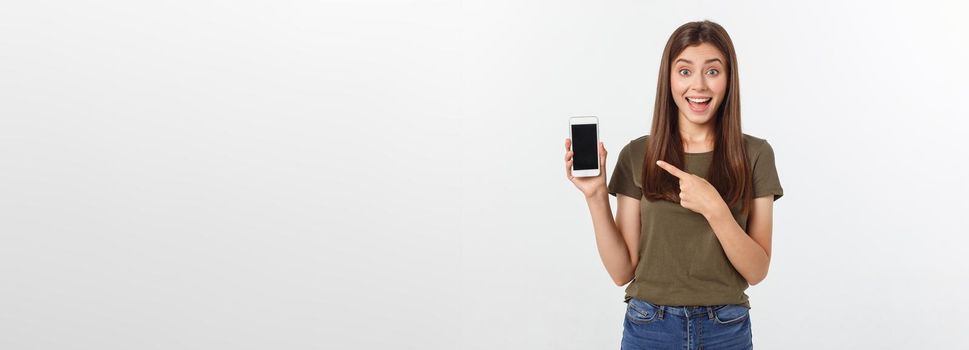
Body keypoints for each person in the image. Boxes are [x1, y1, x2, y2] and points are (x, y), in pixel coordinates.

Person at [563, 20, 784, 349]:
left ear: (729, 78)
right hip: (649, 326)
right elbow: (622, 271)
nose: (699, 86)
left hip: (726, 327)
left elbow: (757, 270)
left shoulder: (755, 154)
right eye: (684, 71)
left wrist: (715, 209)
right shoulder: (638, 154)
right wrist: (596, 196)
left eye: (712, 71)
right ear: (668, 79)